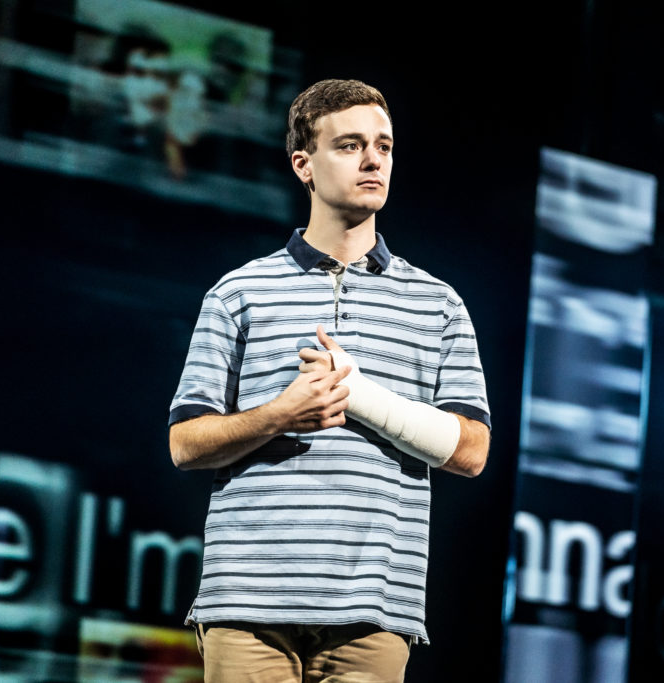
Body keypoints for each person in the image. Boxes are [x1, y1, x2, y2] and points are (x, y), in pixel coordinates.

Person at [168, 79, 490, 682]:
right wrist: (281, 413)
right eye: (349, 145)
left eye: (384, 146)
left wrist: (360, 396)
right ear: (303, 165)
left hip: (373, 613)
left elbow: (472, 452)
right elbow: (185, 444)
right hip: (247, 607)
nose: (373, 160)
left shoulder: (438, 304)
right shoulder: (239, 294)